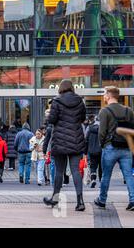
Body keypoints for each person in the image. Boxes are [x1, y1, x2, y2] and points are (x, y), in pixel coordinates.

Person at [43, 79, 87, 212]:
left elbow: (51, 120)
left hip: (60, 141)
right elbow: (82, 118)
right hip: (76, 139)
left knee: (59, 171)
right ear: (72, 88)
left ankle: (55, 199)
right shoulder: (79, 101)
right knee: (75, 171)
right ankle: (80, 202)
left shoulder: (56, 101)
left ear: (61, 88)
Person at [94, 86, 134, 211]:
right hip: (126, 148)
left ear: (109, 95)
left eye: (104, 94)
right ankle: (133, 200)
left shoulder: (105, 111)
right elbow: (133, 129)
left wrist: (103, 145)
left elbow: (101, 132)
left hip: (110, 147)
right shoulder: (128, 110)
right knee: (128, 175)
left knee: (106, 175)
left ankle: (102, 200)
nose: (103, 96)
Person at [85, 115, 102, 188]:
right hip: (101, 151)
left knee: (93, 166)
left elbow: (86, 140)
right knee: (101, 167)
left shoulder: (89, 128)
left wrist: (85, 151)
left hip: (91, 150)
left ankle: (93, 180)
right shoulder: (102, 128)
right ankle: (101, 182)